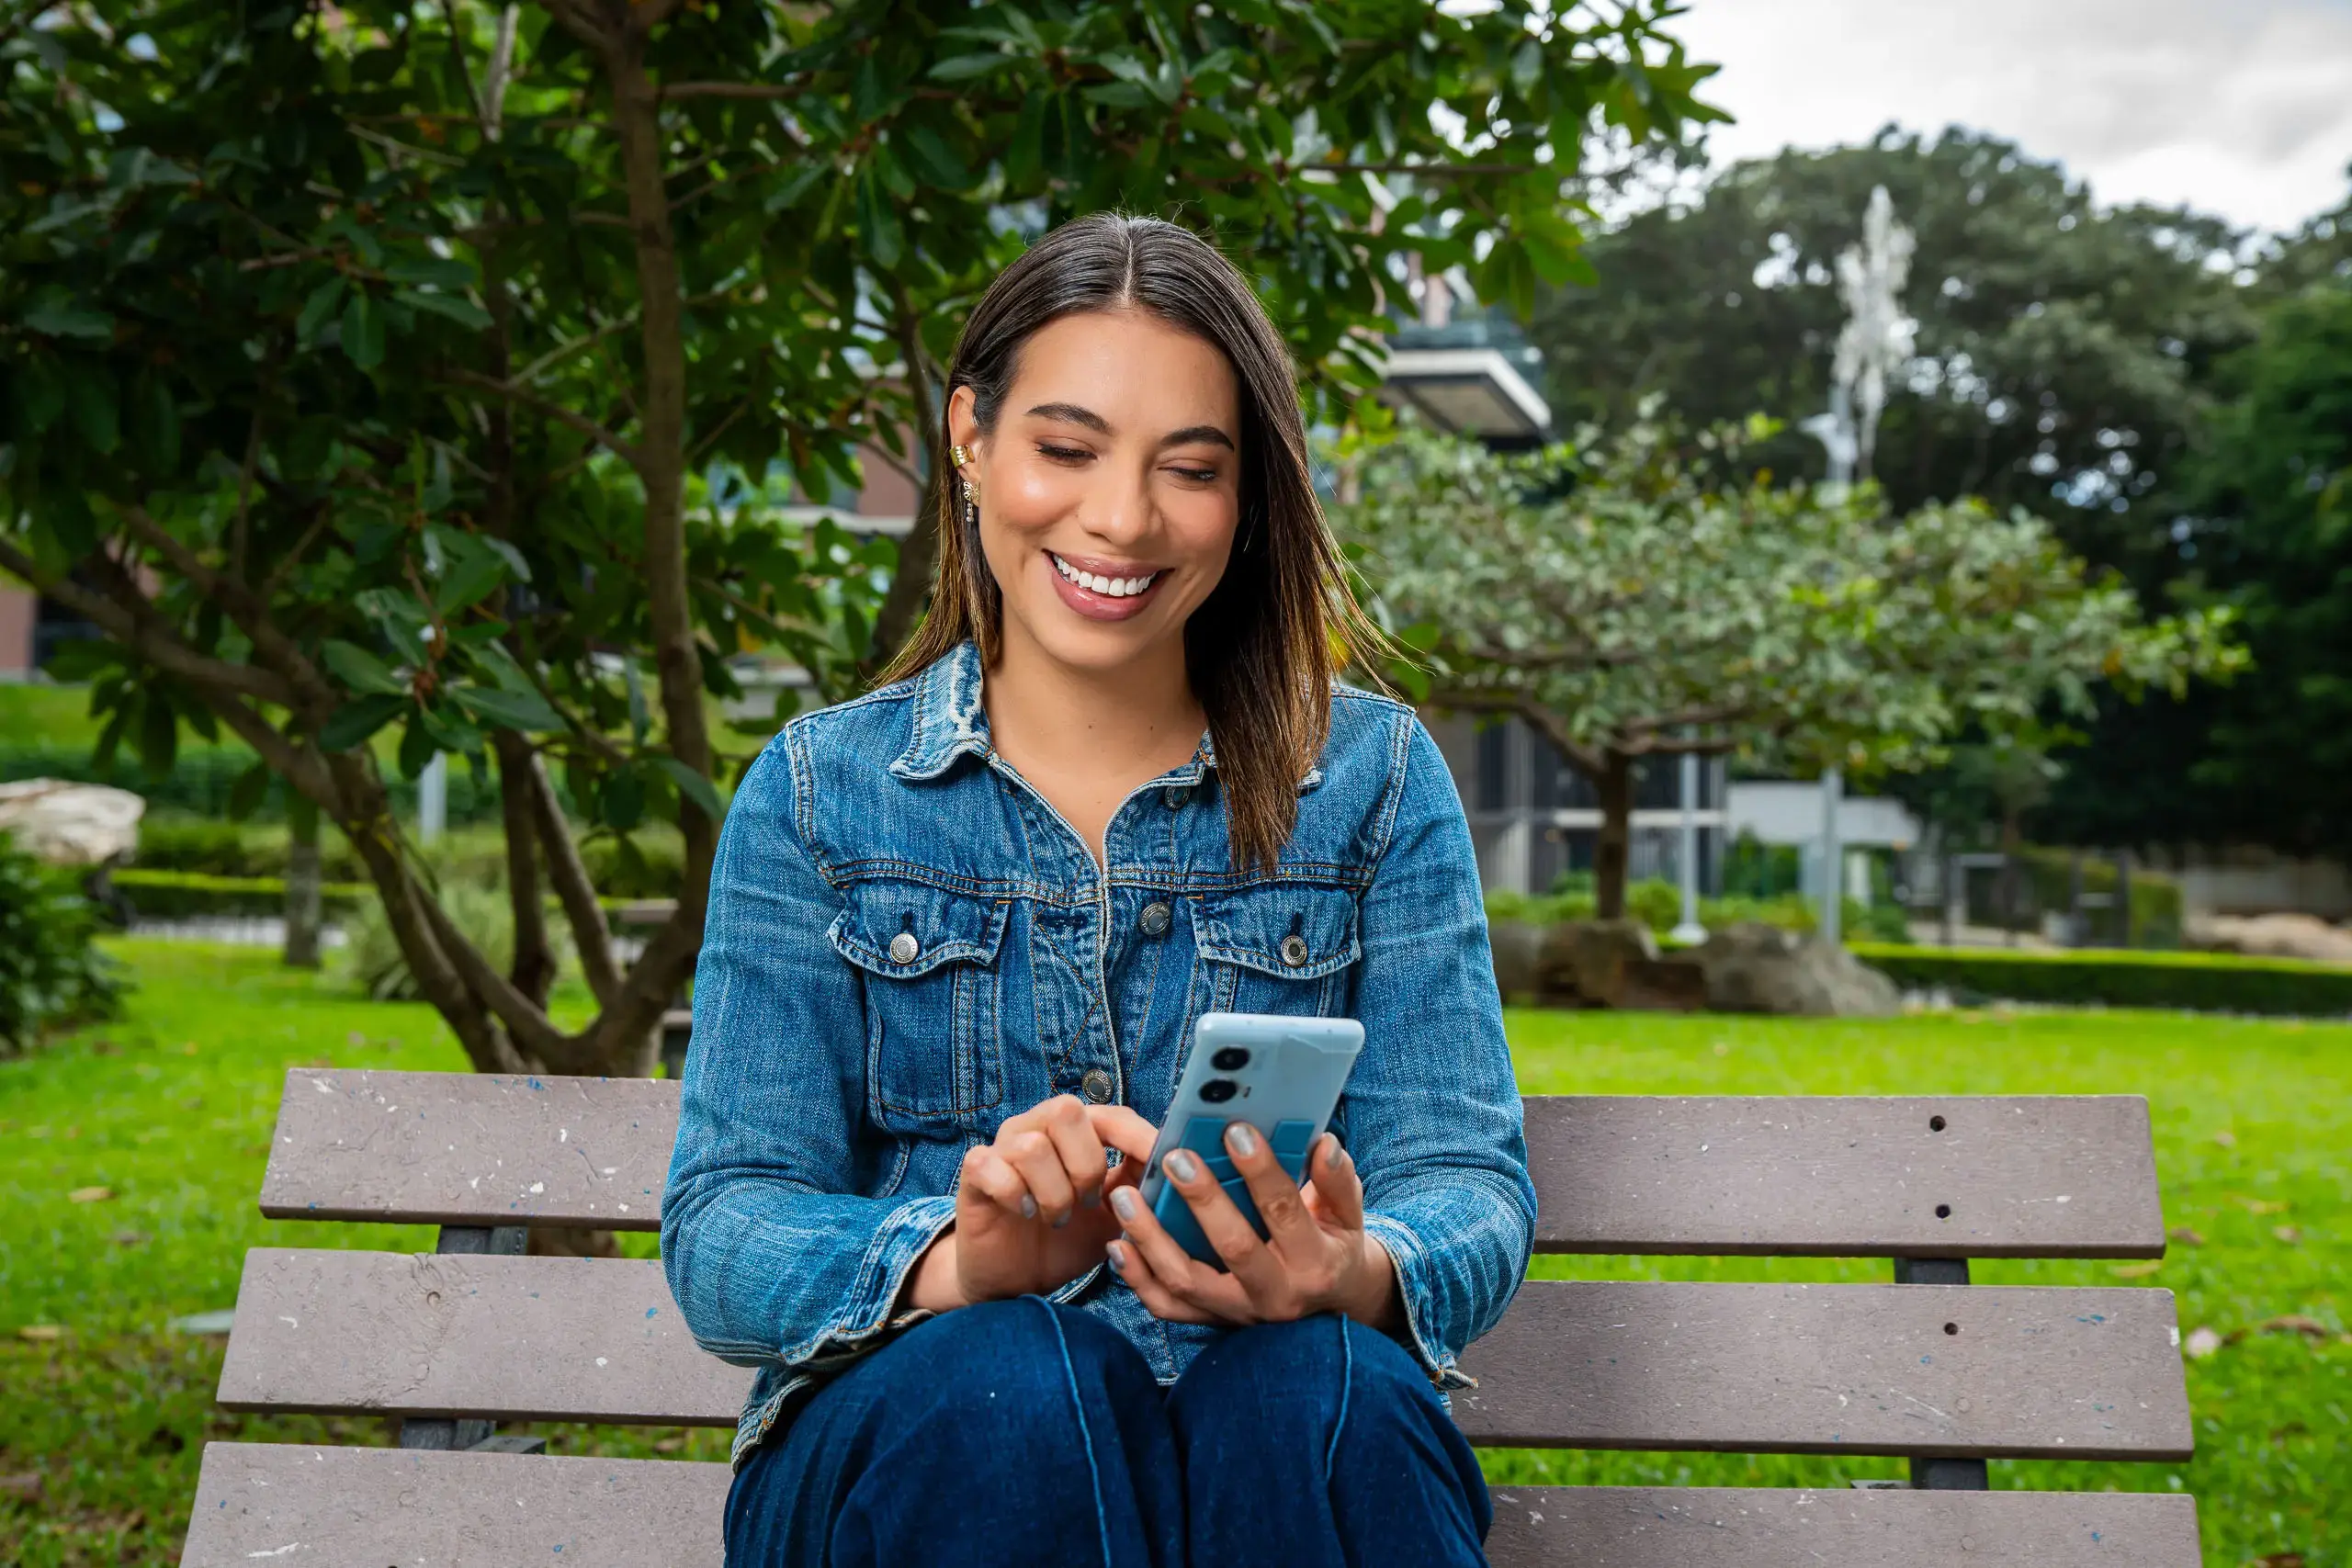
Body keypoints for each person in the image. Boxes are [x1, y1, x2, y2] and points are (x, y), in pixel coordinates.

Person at [662, 211, 1534, 1568]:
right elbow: (727, 1227)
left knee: (1320, 1389)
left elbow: (1464, 1180)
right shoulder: (821, 791)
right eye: (1066, 448)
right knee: (1014, 1378)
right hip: (926, 1449)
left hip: (1270, 1443)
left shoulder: (1373, 778)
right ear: (969, 436)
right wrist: (962, 1262)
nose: (1121, 519)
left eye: (1189, 468)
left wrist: (1349, 1271)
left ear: (1248, 502)